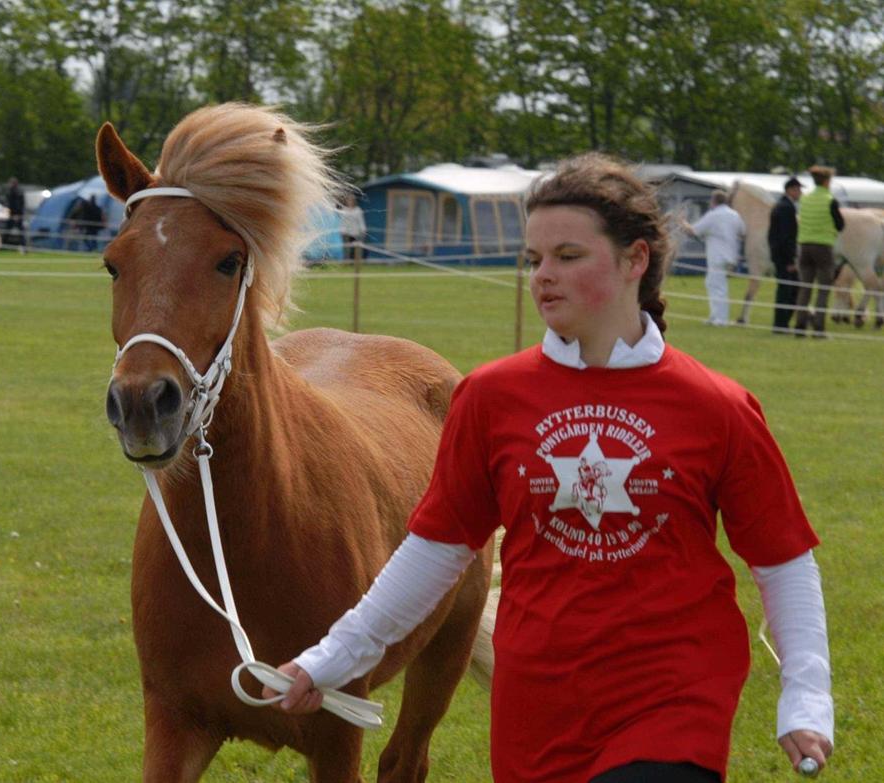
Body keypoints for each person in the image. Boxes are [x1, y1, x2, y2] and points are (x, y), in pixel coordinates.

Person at [267, 154, 834, 783]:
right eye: (534, 258)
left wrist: (807, 695)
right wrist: (331, 657)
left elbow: (783, 561)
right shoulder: (489, 398)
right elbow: (435, 551)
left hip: (673, 698)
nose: (543, 276)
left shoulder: (717, 406)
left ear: (635, 260)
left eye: (568, 256)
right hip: (536, 709)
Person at [793, 166, 844, 337]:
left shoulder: (805, 199)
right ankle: (818, 327)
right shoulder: (830, 200)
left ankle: (800, 326)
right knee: (823, 288)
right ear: (827, 182)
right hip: (823, 247)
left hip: (804, 246)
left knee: (805, 287)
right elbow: (840, 225)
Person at [683, 190, 745, 326]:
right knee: (712, 283)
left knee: (718, 287)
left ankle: (721, 319)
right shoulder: (735, 215)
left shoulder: (713, 215)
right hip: (730, 255)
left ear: (714, 201)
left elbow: (693, 230)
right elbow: (742, 232)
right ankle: (714, 315)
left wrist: (683, 222)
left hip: (717, 255)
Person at [768, 177, 803, 334]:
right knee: (787, 290)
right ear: (790, 190)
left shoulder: (781, 206)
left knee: (788, 289)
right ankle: (781, 324)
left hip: (779, 255)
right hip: (784, 257)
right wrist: (790, 260)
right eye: (797, 190)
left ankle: (782, 323)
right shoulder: (787, 208)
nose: (800, 193)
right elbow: (786, 236)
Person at [338, 193, 366, 263]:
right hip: (345, 232)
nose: (350, 201)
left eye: (351, 200)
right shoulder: (344, 210)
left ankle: (357, 262)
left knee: (357, 248)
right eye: (348, 200)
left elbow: (361, 221)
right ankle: (346, 262)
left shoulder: (358, 210)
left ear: (354, 201)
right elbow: (342, 221)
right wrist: (341, 230)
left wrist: (363, 230)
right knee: (346, 248)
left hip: (355, 233)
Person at [6, 177, 27, 253]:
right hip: (14, 213)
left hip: (16, 214)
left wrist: (17, 214)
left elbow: (17, 204)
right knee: (8, 230)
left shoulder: (16, 191)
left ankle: (23, 248)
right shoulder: (14, 190)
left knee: (19, 231)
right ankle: (5, 246)